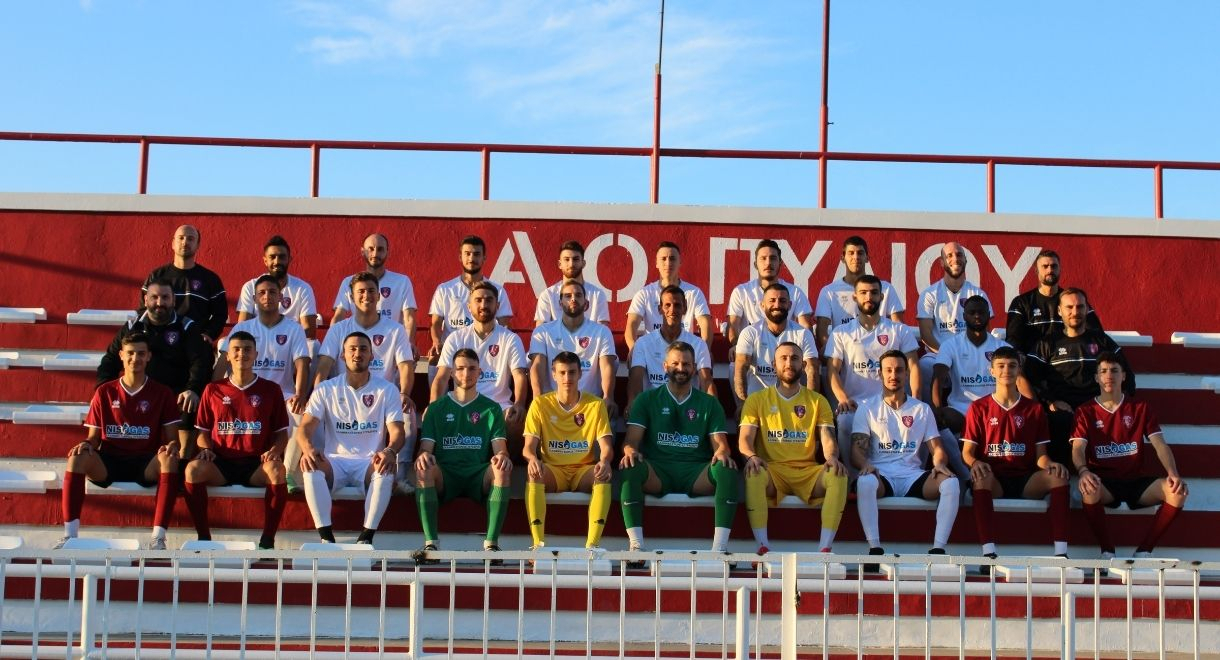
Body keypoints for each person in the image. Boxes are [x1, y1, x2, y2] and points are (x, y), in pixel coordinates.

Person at [57, 333, 182, 550]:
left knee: (169, 459)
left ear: (149, 356)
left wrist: (172, 446)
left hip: (145, 462)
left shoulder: (162, 393)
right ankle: (70, 536)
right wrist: (86, 444)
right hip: (110, 461)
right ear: (121, 355)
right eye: (130, 353)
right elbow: (94, 438)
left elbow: (174, 440)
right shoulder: (104, 392)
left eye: (141, 353)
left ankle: (158, 539)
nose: (135, 358)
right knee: (76, 458)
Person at [619, 342, 738, 559]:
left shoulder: (709, 403)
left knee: (726, 468)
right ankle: (636, 546)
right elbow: (631, 441)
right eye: (675, 363)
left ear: (694, 368)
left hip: (696, 472)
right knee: (630, 466)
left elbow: (721, 445)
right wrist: (629, 451)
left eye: (686, 364)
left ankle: (719, 549)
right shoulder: (647, 399)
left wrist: (721, 452)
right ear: (665, 366)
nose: (681, 368)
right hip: (658, 471)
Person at [294, 332, 406, 545]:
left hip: (369, 461)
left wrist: (390, 451)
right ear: (342, 356)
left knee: (385, 468)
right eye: (352, 349)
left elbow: (398, 432)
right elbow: (305, 428)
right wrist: (307, 449)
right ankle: (326, 538)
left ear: (372, 355)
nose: (357, 353)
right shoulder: (325, 388)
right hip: (334, 460)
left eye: (363, 349)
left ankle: (366, 538)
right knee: (310, 465)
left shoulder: (387, 389)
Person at [1072, 353, 1187, 559]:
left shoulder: (1140, 408)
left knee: (1177, 492)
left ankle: (1144, 551)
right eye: (1103, 371)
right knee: (1089, 488)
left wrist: (1173, 472)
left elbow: (1160, 444)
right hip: (1105, 482)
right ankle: (1107, 551)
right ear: (1096, 378)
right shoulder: (1085, 411)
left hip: (1135, 481)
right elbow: (1078, 448)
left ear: (1123, 376)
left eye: (1114, 371)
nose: (1109, 376)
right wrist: (1083, 471)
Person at [961, 347, 1070, 565]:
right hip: (994, 479)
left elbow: (1041, 456)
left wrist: (1050, 464)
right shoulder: (978, 407)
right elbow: (967, 453)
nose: (1006, 371)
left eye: (1012, 366)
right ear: (992, 371)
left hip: (1025, 479)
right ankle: (988, 554)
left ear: (1019, 370)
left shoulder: (1034, 409)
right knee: (980, 477)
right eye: (1000, 366)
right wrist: (975, 463)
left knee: (1058, 477)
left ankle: (1061, 554)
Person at [851, 350, 960, 565]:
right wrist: (864, 464)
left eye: (899, 370)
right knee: (864, 481)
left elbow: (937, 448)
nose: (894, 375)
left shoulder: (922, 409)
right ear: (880, 374)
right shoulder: (867, 408)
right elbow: (856, 452)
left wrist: (939, 463)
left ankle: (938, 549)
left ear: (907, 373)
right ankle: (875, 549)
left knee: (951, 483)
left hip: (913, 476)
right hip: (882, 476)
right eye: (889, 370)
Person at [184, 332, 291, 550]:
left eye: (247, 349)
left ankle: (267, 541)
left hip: (256, 463)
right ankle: (204, 538)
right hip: (221, 463)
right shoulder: (213, 390)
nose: (242, 354)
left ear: (256, 355)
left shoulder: (271, 389)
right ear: (228, 356)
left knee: (278, 470)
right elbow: (202, 431)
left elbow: (281, 434)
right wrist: (205, 448)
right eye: (236, 350)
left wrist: (274, 450)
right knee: (192, 470)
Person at [738, 342, 847, 554]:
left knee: (837, 474)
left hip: (807, 472)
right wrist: (751, 456)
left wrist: (832, 458)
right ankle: (763, 547)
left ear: (804, 365)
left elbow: (827, 438)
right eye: (784, 358)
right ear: (774, 364)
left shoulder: (818, 401)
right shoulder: (756, 400)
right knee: (754, 472)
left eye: (795, 358)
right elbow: (745, 439)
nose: (789, 363)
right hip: (773, 472)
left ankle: (824, 548)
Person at [413, 348, 513, 558]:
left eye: (471, 369)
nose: (466, 374)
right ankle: (431, 544)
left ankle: (491, 545)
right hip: (446, 473)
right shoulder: (436, 408)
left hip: (478, 473)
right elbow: (425, 450)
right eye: (460, 368)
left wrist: (502, 457)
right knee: (424, 467)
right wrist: (423, 456)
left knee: (501, 469)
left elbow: (501, 451)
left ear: (480, 373)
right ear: (451, 373)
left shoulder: (492, 408)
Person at [217, 275, 311, 490]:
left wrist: (300, 394)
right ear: (254, 299)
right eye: (262, 293)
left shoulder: (294, 328)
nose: (267, 296)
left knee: (300, 413)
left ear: (281, 297)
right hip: (246, 393)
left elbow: (302, 364)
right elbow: (223, 362)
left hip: (283, 394)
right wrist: (214, 391)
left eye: (272, 292)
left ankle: (287, 472)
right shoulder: (243, 328)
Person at [1024, 287, 1132, 465]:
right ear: (1060, 311)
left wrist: (1118, 403)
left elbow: (1126, 374)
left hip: (1097, 408)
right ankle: (1061, 475)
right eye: (1069, 307)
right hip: (1062, 411)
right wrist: (1051, 401)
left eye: (1080, 307)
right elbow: (1031, 377)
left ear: (1087, 309)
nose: (1075, 312)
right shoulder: (1047, 344)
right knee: (1056, 421)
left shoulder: (1102, 341)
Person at [98, 279, 211, 448]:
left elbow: (200, 362)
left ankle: (181, 459)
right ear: (146, 300)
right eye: (154, 297)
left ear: (173, 300)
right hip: (140, 392)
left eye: (165, 297)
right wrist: (103, 389)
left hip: (176, 393)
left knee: (190, 402)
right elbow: (111, 359)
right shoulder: (132, 326)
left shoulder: (186, 326)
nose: (160, 303)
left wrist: (193, 389)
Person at [826, 275, 920, 475]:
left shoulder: (899, 330)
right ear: (854, 297)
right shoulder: (841, 332)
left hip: (893, 403)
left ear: (882, 297)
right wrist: (842, 398)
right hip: (856, 404)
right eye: (863, 293)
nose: (869, 297)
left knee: (923, 416)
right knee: (844, 420)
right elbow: (833, 370)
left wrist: (916, 399)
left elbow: (913, 366)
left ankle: (911, 473)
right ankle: (852, 480)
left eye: (874, 293)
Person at [522, 352, 615, 550]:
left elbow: (606, 447)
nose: (567, 378)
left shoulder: (595, 404)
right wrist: (532, 459)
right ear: (553, 374)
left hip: (583, 471)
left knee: (603, 475)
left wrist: (605, 461)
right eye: (562, 373)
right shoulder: (540, 404)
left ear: (580, 374)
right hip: (554, 471)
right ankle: (538, 545)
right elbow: (528, 448)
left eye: (572, 372)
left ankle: (592, 547)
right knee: (534, 473)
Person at [432, 282, 529, 445]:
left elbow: (519, 376)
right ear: (469, 307)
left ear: (497, 306)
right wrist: (433, 406)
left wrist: (519, 403)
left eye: (489, 300)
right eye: (478, 300)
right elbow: (441, 377)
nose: (483, 305)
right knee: (436, 416)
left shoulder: (511, 338)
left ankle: (506, 460)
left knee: (516, 419)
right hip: (462, 403)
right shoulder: (455, 338)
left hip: (499, 406)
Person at [315, 272, 416, 409]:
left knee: (408, 416)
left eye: (371, 291)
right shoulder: (337, 329)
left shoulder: (396, 330)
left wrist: (404, 394)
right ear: (352, 297)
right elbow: (323, 366)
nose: (367, 295)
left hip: (383, 398)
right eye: (361, 291)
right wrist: (316, 397)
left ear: (379, 296)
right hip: (343, 399)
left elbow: (405, 366)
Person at [527, 280, 618, 414]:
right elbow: (537, 365)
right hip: (551, 405)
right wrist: (537, 399)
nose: (573, 299)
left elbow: (607, 366)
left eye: (578, 295)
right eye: (568, 296)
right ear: (560, 303)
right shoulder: (543, 332)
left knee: (613, 416)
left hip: (590, 405)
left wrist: (608, 397)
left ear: (586, 304)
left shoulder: (601, 332)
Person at [915, 242, 991, 401]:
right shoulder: (929, 294)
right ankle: (930, 412)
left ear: (966, 260)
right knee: (925, 366)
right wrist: (947, 354)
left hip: (971, 354)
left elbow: (985, 331)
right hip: (937, 353)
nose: (955, 259)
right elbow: (925, 334)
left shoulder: (978, 294)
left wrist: (964, 356)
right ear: (941, 262)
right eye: (949, 255)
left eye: (959, 255)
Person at [930, 295, 1016, 434]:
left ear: (988, 315)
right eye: (972, 312)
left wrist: (1033, 408)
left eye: (981, 312)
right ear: (964, 316)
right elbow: (938, 378)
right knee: (942, 417)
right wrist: (937, 410)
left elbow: (1020, 380)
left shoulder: (1002, 347)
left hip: (995, 409)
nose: (977, 316)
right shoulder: (950, 345)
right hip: (960, 411)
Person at [732, 283, 819, 417]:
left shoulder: (803, 333)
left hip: (794, 403)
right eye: (772, 300)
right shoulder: (750, 332)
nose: (777, 305)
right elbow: (741, 368)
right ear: (762, 305)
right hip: (758, 402)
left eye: (782, 301)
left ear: (789, 305)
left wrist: (810, 405)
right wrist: (743, 404)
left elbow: (812, 369)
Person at [626, 285, 715, 413]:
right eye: (667, 305)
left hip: (688, 411)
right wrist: (633, 408)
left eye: (677, 305)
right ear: (659, 309)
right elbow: (635, 382)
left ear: (685, 309)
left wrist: (714, 411)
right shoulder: (643, 343)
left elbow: (707, 383)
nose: (672, 310)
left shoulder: (698, 344)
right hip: (653, 410)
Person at [813, 236, 903, 358]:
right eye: (851, 253)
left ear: (867, 258)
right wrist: (835, 352)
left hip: (882, 353)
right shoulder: (829, 291)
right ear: (842, 258)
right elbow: (822, 331)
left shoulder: (885, 288)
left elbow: (898, 324)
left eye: (860, 253)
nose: (856, 257)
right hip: (845, 354)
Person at [428, 235, 514, 363]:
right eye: (467, 254)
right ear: (460, 257)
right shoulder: (445, 289)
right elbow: (435, 323)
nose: (472, 258)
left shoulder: (498, 291)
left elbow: (504, 325)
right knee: (433, 359)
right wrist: (436, 342)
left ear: (484, 258)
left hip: (486, 354)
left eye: (477, 254)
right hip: (453, 350)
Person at [1005, 249, 1103, 355]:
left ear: (1060, 269)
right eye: (1045, 266)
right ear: (1036, 271)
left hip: (1068, 360)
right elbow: (1013, 340)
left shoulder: (1074, 301)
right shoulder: (1021, 303)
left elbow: (1097, 334)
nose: (1050, 270)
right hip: (1033, 361)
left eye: (1054, 266)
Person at [142, 224, 227, 346]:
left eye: (190, 239)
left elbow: (220, 314)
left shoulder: (211, 279)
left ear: (198, 245)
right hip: (160, 346)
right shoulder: (156, 276)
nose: (185, 242)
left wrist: (208, 334)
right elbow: (143, 310)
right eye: (181, 238)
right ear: (173, 243)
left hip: (195, 346)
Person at [624, 242, 712, 351]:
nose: (668, 263)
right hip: (653, 353)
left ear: (680, 262)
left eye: (672, 258)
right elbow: (631, 325)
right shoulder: (644, 294)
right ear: (656, 263)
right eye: (663, 259)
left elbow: (705, 324)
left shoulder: (694, 293)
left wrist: (704, 351)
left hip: (684, 354)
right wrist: (634, 350)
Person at [726, 239, 814, 347]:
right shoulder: (741, 292)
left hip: (786, 354)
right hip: (751, 352)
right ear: (755, 264)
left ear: (780, 263)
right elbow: (733, 326)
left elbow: (805, 327)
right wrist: (736, 347)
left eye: (773, 258)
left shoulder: (795, 292)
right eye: (763, 258)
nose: (768, 263)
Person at [235, 235, 318, 342]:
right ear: (265, 260)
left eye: (282, 257)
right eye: (272, 257)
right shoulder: (250, 287)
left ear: (289, 259)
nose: (277, 262)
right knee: (225, 342)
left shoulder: (303, 288)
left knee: (313, 345)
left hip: (290, 342)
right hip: (257, 342)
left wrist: (281, 341)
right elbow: (242, 327)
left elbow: (309, 330)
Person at [534, 240, 611, 327]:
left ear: (583, 263)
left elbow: (603, 331)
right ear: (559, 264)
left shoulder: (598, 295)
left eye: (576, 259)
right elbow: (540, 331)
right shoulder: (548, 295)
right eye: (566, 259)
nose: (571, 264)